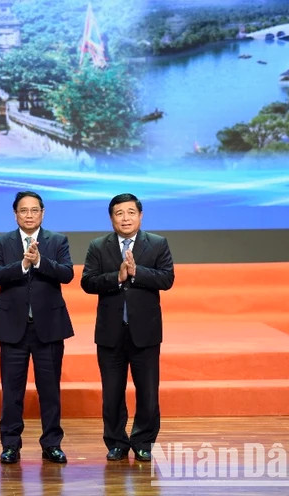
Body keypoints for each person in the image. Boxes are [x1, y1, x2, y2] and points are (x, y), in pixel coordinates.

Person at [80, 193, 174, 462]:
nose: (125, 218)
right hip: (110, 332)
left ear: (140, 216)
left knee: (147, 391)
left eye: (131, 212)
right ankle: (117, 442)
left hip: (145, 332)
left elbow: (167, 279)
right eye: (119, 213)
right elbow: (88, 282)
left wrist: (137, 272)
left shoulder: (157, 244)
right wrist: (117, 277)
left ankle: (144, 441)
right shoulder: (99, 246)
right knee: (112, 393)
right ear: (111, 218)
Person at [0, 191, 74, 465]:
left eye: (34, 210)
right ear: (15, 214)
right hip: (13, 327)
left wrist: (39, 262)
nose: (29, 215)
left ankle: (52, 444)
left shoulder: (57, 240)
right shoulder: (2, 242)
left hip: (49, 327)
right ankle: (10, 445)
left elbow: (67, 273)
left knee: (50, 390)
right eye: (23, 211)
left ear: (42, 213)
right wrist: (23, 265)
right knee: (12, 391)